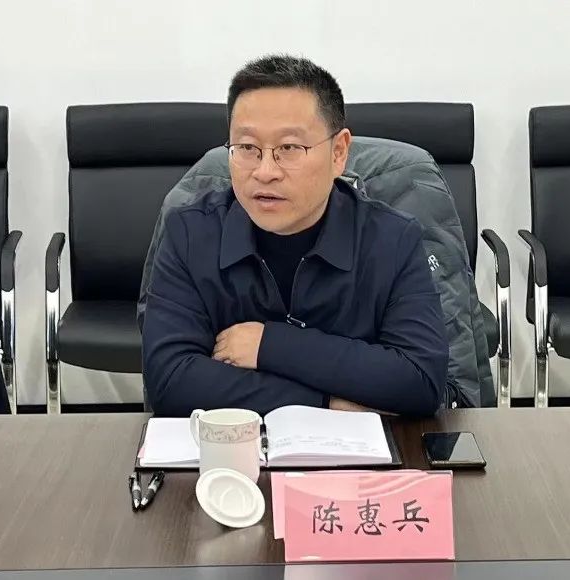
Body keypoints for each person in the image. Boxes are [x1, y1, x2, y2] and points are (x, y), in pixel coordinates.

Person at [142, 55, 448, 417]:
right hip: (230, 450)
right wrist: (324, 403)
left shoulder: (393, 240)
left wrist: (270, 345)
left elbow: (419, 382)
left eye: (289, 148)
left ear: (338, 153)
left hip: (357, 453)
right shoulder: (189, 233)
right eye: (247, 148)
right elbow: (170, 380)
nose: (265, 171)